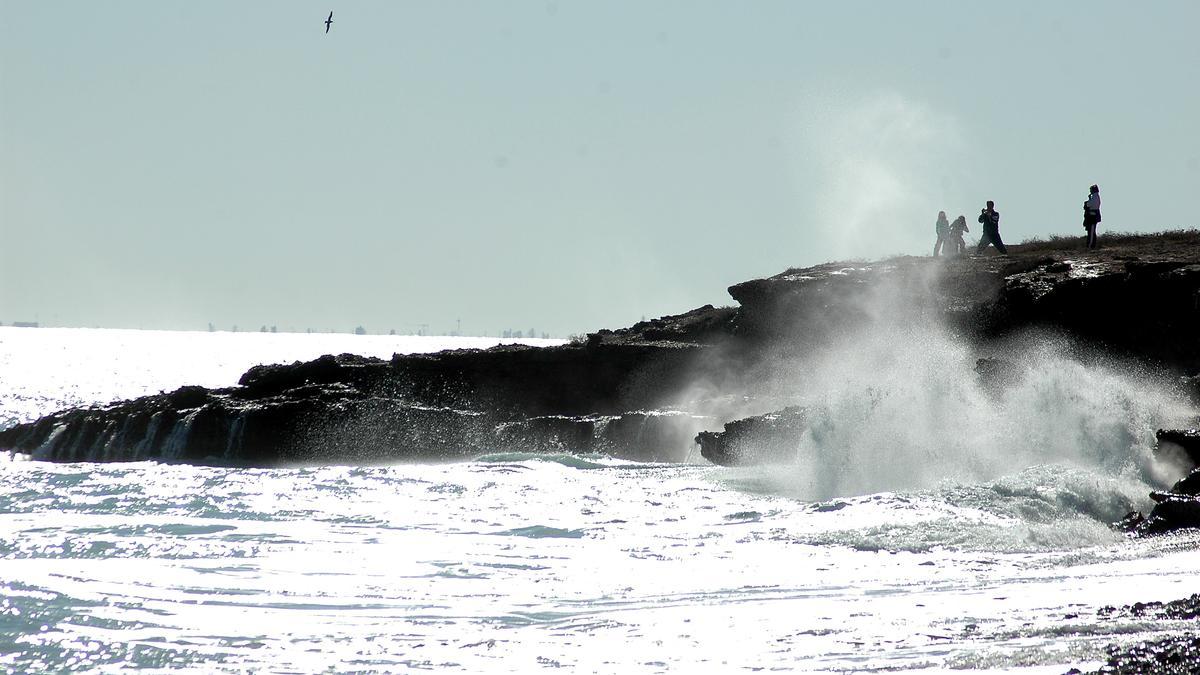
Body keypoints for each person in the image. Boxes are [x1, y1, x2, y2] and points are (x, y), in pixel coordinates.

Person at [1083, 184, 1101, 249]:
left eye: (1091, 189)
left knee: (1091, 232)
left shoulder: (1095, 196)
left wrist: (1087, 203)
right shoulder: (1094, 196)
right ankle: (1090, 245)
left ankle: (1090, 246)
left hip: (1092, 217)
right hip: (1091, 216)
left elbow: (1090, 204)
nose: (1090, 191)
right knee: (1091, 231)